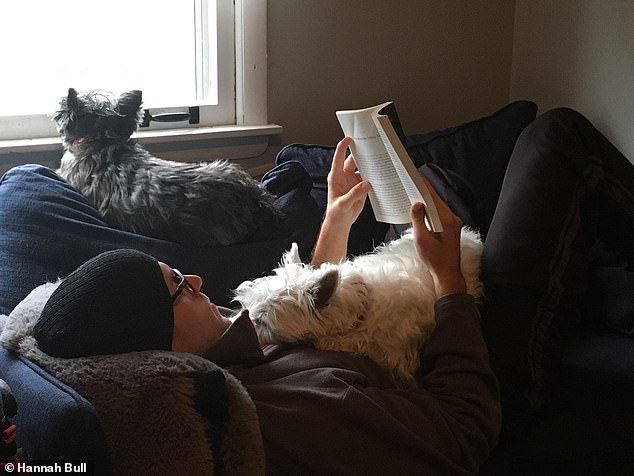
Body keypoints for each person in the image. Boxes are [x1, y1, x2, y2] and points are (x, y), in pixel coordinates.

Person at [31, 108, 634, 474]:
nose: (196, 280)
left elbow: (304, 314)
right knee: (555, 139)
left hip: (422, 307)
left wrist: (336, 221)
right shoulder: (289, 416)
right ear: (158, 347)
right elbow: (464, 429)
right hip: (484, 362)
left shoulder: (227, 347)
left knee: (435, 186)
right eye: (178, 290)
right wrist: (449, 279)